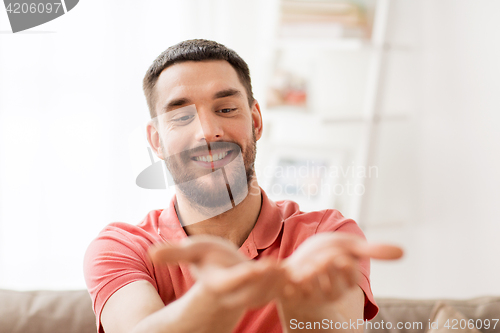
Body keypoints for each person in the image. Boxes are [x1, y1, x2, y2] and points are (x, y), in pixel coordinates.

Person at [84, 39, 402, 333]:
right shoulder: (121, 248)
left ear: (256, 122)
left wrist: (308, 314)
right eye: (181, 117)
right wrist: (216, 299)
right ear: (157, 141)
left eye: (226, 109)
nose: (207, 132)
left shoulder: (326, 236)